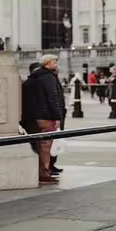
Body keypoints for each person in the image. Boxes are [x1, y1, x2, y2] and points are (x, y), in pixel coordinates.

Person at [28, 55, 66, 184]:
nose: (56, 63)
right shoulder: (48, 77)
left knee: (41, 143)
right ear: (48, 63)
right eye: (55, 61)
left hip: (37, 115)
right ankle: (44, 171)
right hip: (46, 116)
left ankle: (43, 170)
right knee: (46, 144)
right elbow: (53, 98)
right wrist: (57, 116)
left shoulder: (36, 77)